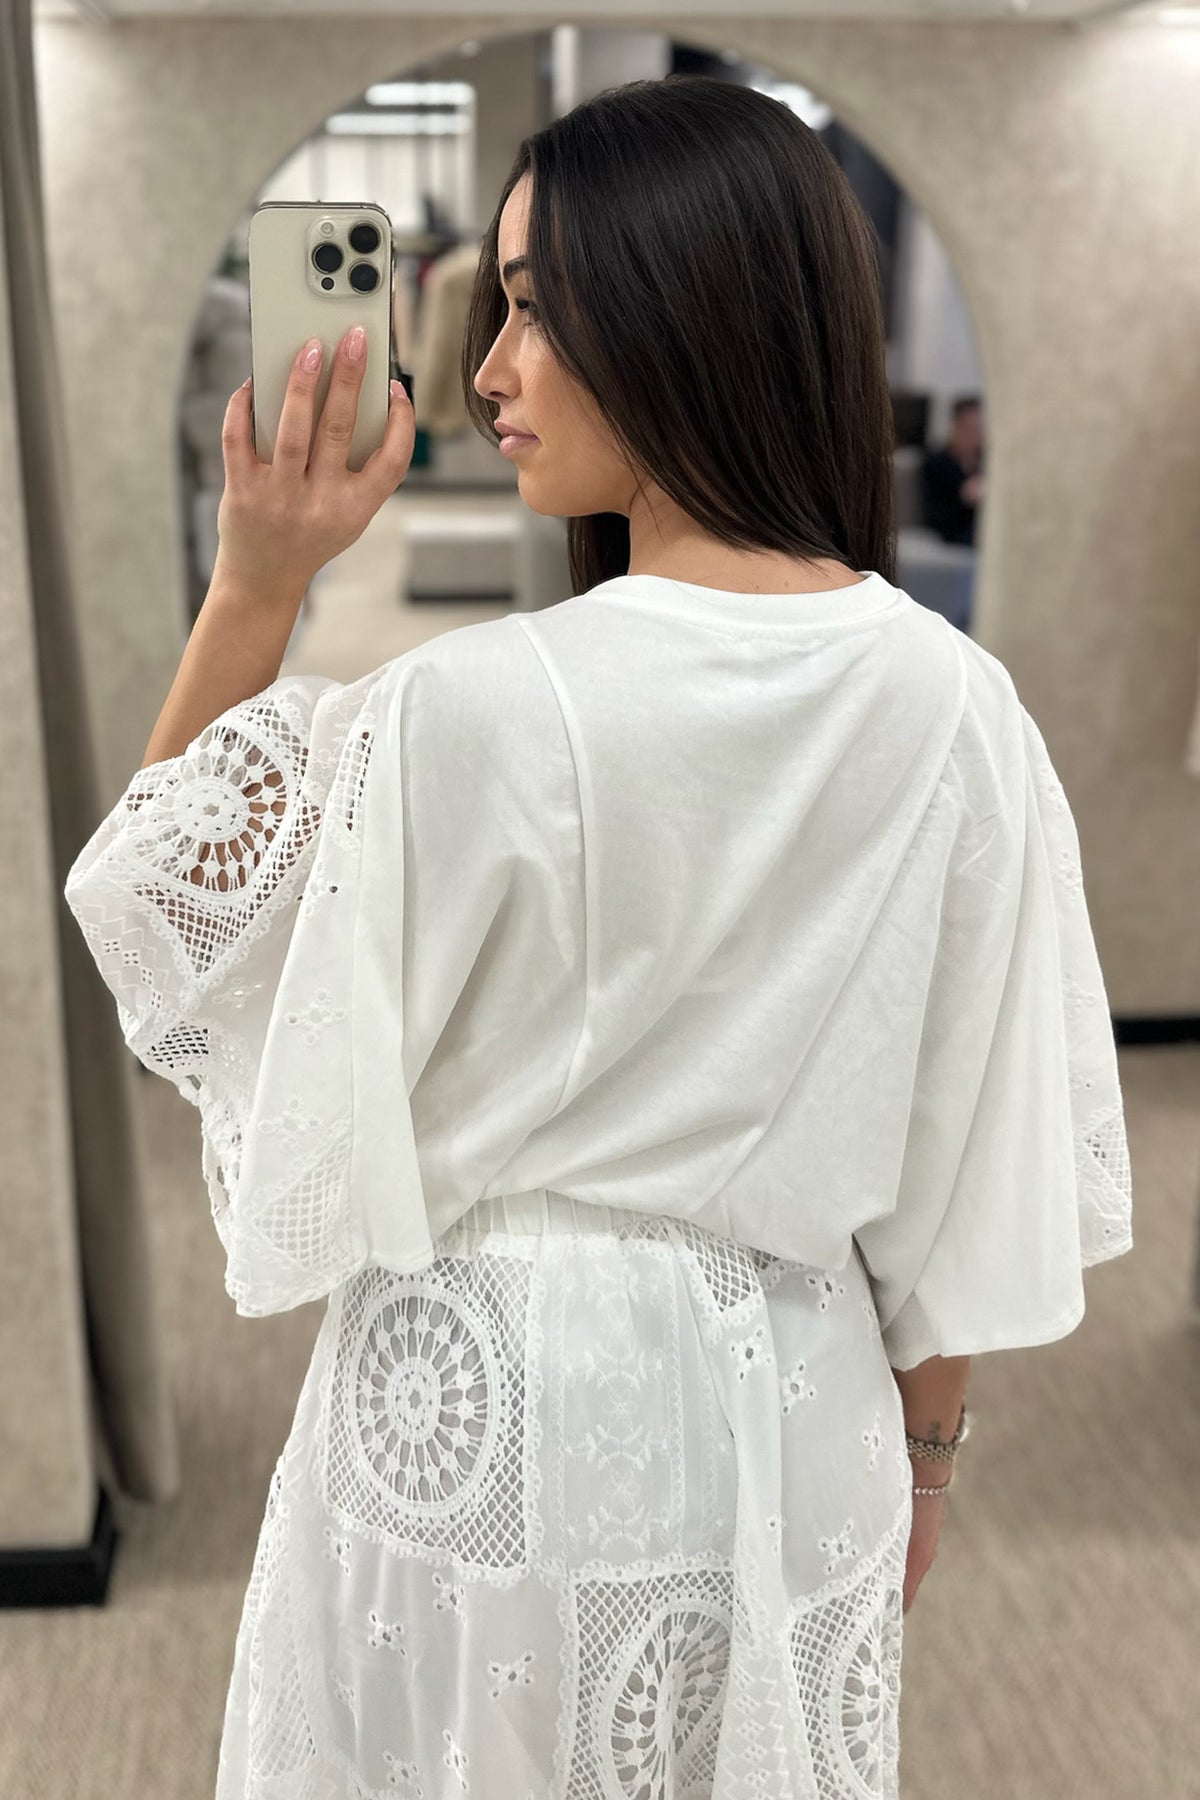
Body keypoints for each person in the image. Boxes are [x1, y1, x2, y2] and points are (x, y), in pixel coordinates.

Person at [64, 75, 1132, 1800]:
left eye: (535, 308)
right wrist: (927, 1456)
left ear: (683, 306)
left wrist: (256, 583)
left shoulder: (459, 713)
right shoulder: (960, 711)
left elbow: (161, 908)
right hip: (799, 1405)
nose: (488, 369)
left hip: (485, 1413)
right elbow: (964, 1152)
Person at [921, 396, 987, 546]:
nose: (975, 435)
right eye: (969, 428)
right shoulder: (936, 463)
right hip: (952, 534)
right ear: (955, 426)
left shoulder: (984, 462)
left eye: (979, 429)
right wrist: (964, 496)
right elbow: (934, 514)